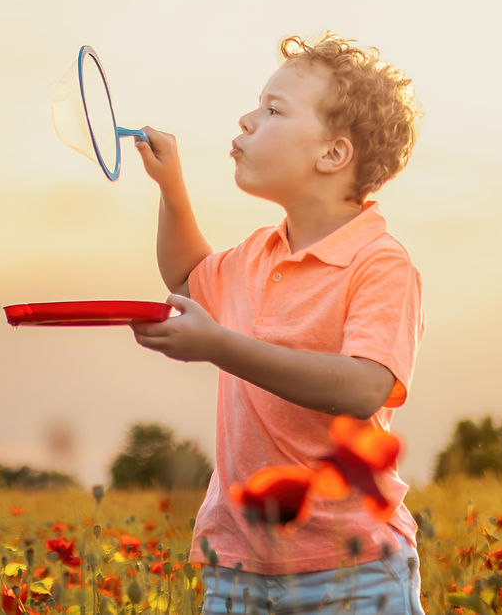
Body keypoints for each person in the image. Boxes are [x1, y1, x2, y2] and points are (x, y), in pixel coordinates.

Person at [130, 32, 425, 614]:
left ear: (332, 155)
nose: (246, 118)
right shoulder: (258, 254)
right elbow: (188, 278)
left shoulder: (379, 263)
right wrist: (171, 187)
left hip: (352, 564)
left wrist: (219, 345)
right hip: (239, 561)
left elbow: (364, 386)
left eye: (273, 110)